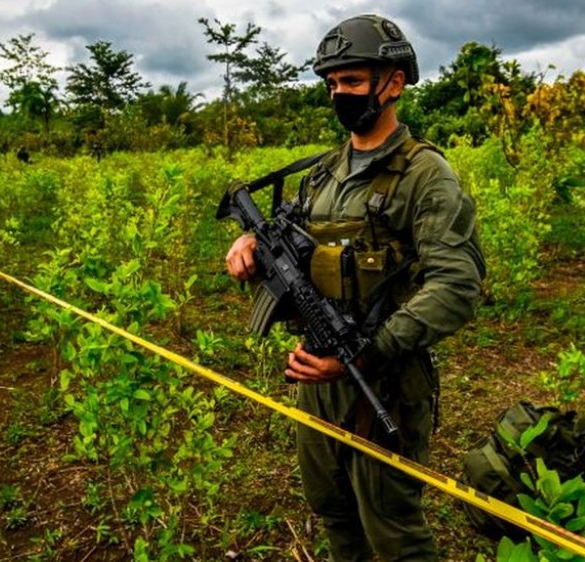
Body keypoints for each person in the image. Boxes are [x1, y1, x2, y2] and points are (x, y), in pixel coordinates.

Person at [225, 14, 485, 562]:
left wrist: (368, 354)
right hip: (315, 378)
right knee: (335, 514)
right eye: (333, 84)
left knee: (393, 533)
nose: (340, 93)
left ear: (394, 82)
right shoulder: (323, 173)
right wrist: (250, 241)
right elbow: (289, 228)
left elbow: (457, 284)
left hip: (382, 381)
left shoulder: (425, 175)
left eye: (353, 81)